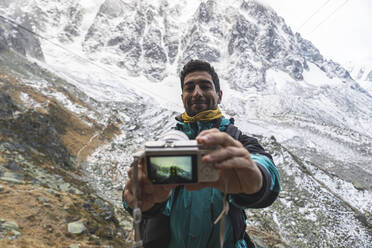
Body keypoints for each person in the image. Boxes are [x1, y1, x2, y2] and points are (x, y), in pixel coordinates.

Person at [122, 60, 281, 248]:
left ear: (219, 95)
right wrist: (134, 198)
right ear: (183, 98)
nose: (197, 93)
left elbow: (266, 169)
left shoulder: (239, 142)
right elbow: (138, 196)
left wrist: (257, 180)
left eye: (205, 86)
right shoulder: (166, 145)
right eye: (190, 88)